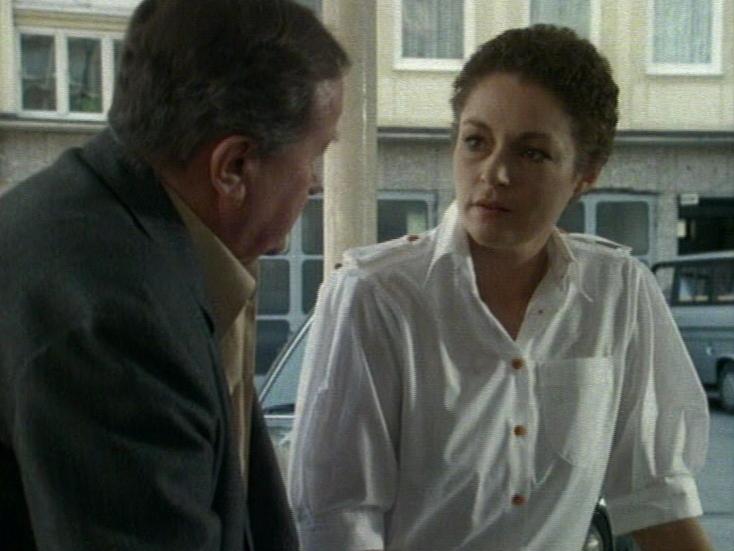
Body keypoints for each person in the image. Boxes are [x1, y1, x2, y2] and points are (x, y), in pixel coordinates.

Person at [289, 25, 713, 551]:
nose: (495, 173)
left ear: (585, 174)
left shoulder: (618, 291)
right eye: (476, 142)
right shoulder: (376, 295)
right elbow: (338, 523)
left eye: (532, 153)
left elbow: (657, 499)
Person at [0, 0, 347, 549]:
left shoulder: (99, 224)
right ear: (233, 168)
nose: (317, 183)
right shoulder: (122, 320)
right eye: (317, 154)